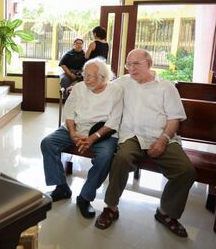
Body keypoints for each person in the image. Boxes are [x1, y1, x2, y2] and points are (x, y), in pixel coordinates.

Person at [95, 49, 196, 238]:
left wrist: (163, 140)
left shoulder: (166, 87)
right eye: (128, 64)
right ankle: (111, 208)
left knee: (186, 170)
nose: (131, 68)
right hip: (131, 136)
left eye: (136, 64)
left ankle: (166, 213)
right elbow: (100, 86)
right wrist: (78, 87)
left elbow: (174, 119)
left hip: (161, 135)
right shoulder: (123, 83)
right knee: (121, 159)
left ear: (149, 64)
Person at [41, 58, 123, 218]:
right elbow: (69, 113)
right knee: (48, 143)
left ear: (102, 77)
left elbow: (114, 121)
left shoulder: (115, 91)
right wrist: (72, 133)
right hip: (75, 128)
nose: (86, 78)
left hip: (103, 132)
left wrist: (92, 138)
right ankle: (61, 187)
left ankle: (85, 197)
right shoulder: (79, 87)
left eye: (91, 76)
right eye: (85, 74)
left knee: (105, 156)